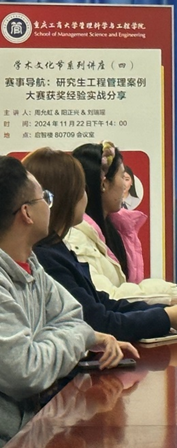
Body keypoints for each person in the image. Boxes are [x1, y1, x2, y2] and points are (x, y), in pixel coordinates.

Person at [0, 155, 138, 446]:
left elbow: (74, 317)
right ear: (26, 213)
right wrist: (80, 337)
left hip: (36, 428)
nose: (50, 204)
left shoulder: (32, 265)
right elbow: (26, 371)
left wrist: (86, 335)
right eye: (45, 198)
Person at [23, 148, 177, 342]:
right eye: (81, 189)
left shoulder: (60, 249)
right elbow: (98, 321)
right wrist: (166, 315)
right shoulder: (48, 257)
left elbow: (104, 302)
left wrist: (166, 312)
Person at [64, 141, 177, 306]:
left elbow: (127, 289)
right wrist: (174, 294)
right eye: (122, 177)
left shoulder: (115, 229)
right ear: (104, 184)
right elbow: (109, 297)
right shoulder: (75, 239)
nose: (126, 185)